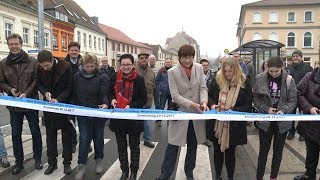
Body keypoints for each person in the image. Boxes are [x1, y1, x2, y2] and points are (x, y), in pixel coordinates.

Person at [156, 45, 208, 180]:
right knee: (173, 145)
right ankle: (165, 174)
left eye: (190, 56)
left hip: (197, 114)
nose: (188, 60)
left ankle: (189, 171)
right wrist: (192, 104)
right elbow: (175, 96)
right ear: (179, 58)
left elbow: (203, 88)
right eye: (185, 57)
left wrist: (203, 102)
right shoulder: (172, 72)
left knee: (192, 145)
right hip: (180, 112)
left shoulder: (199, 68)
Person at [0, 33, 43, 175]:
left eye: (16, 44)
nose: (14, 46)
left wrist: (27, 93)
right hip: (14, 105)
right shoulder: (3, 63)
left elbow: (37, 80)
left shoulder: (33, 61)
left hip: (31, 103)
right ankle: (19, 162)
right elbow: (1, 82)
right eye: (11, 44)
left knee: (35, 132)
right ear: (8, 45)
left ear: (21, 44)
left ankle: (38, 159)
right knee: (15, 134)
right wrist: (10, 90)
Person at [206, 57, 252, 180]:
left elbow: (248, 105)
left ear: (236, 70)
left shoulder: (244, 82)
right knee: (217, 152)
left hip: (234, 125)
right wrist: (212, 104)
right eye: (225, 71)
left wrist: (235, 111)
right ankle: (218, 175)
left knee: (231, 153)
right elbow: (209, 96)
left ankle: (230, 177)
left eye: (230, 71)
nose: (227, 74)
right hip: (217, 124)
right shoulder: (217, 80)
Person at [253, 56, 297, 180]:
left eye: (276, 71)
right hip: (265, 122)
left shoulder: (289, 80)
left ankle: (273, 177)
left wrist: (283, 110)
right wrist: (266, 109)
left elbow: (293, 100)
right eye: (270, 71)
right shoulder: (260, 78)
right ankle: (259, 177)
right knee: (263, 152)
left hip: (282, 123)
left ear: (282, 68)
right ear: (267, 68)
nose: (273, 74)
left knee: (278, 152)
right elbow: (255, 99)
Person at [109, 54, 147, 180]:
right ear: (120, 65)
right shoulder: (114, 77)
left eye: (128, 64)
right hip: (119, 118)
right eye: (123, 65)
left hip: (133, 119)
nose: (126, 67)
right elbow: (109, 92)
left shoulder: (139, 79)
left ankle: (134, 172)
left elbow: (143, 99)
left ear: (133, 65)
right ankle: (124, 171)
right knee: (121, 146)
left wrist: (131, 106)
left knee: (134, 146)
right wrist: (112, 100)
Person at [73, 53, 110, 180]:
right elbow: (74, 94)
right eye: (87, 66)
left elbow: (105, 93)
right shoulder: (77, 76)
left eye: (92, 66)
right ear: (82, 65)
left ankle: (99, 160)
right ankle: (81, 165)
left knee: (98, 138)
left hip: (98, 113)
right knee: (83, 140)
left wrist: (106, 103)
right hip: (83, 113)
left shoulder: (102, 77)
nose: (89, 68)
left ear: (96, 65)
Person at [36, 50, 73, 175]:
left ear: (52, 60)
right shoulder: (40, 68)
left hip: (63, 106)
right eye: (43, 66)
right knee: (50, 136)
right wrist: (44, 92)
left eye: (47, 65)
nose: (45, 68)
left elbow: (70, 87)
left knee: (66, 137)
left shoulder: (65, 66)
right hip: (49, 107)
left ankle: (67, 163)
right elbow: (39, 83)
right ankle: (52, 163)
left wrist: (59, 99)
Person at [294, 67, 320, 180]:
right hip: (311, 124)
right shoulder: (309, 76)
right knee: (311, 151)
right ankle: (309, 175)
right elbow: (298, 92)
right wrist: (309, 108)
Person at [285, 49, 313, 141]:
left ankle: (302, 133)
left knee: (303, 115)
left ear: (301, 57)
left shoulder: (308, 68)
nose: (295, 58)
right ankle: (291, 131)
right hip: (291, 96)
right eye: (293, 56)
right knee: (290, 114)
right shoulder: (288, 68)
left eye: (297, 56)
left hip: (304, 96)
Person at [64, 42, 85, 153]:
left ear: (78, 51)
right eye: (72, 50)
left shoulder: (84, 62)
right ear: (68, 51)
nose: (74, 52)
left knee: (83, 121)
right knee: (71, 121)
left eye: (76, 50)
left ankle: (85, 142)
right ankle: (72, 143)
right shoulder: (64, 63)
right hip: (69, 96)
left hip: (82, 96)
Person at [136, 52, 155, 148]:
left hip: (147, 100)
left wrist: (152, 99)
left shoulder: (151, 71)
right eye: (141, 58)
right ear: (138, 59)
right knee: (135, 122)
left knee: (147, 122)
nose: (144, 59)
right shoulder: (134, 70)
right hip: (136, 101)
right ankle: (135, 140)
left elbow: (153, 86)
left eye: (145, 58)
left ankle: (147, 140)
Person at [200, 58, 216, 147]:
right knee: (201, 120)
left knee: (208, 120)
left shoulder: (213, 75)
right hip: (200, 100)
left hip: (209, 100)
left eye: (206, 65)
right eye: (203, 65)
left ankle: (206, 138)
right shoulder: (198, 75)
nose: (205, 67)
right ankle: (201, 137)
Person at [154, 58, 173, 127]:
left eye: (169, 62)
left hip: (172, 93)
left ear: (171, 63)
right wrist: (158, 90)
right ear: (165, 63)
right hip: (163, 92)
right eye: (166, 62)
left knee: (170, 108)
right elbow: (157, 81)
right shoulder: (161, 70)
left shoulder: (174, 70)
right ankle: (158, 121)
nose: (168, 63)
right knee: (161, 107)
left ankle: (169, 122)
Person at [100, 56, 116, 126]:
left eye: (106, 61)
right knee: (106, 102)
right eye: (103, 61)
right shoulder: (99, 70)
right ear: (101, 62)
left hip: (111, 87)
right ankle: (106, 118)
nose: (105, 62)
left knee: (112, 103)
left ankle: (111, 118)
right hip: (104, 88)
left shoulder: (111, 69)